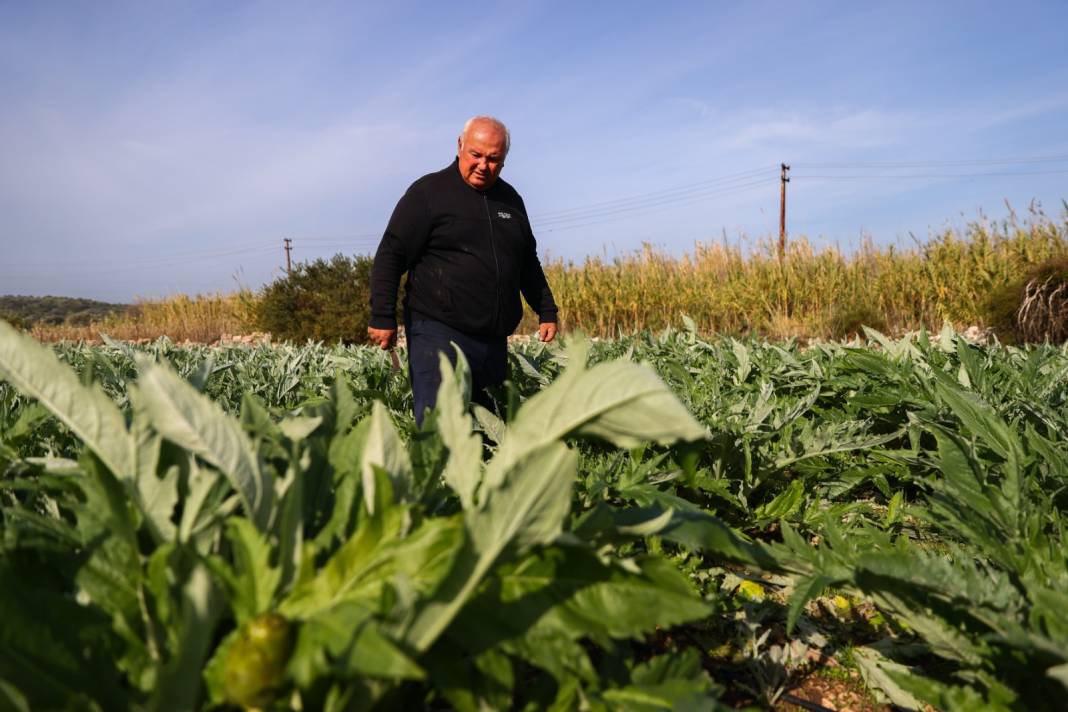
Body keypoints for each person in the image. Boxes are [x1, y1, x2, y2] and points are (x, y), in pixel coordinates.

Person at [368, 116, 559, 425]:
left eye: (493, 159)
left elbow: (526, 261)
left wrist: (546, 309)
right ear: (460, 146)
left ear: (504, 159)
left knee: (486, 430)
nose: (483, 165)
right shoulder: (428, 193)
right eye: (476, 154)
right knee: (441, 427)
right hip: (437, 330)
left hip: (492, 339)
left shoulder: (511, 201)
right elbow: (392, 253)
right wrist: (382, 315)